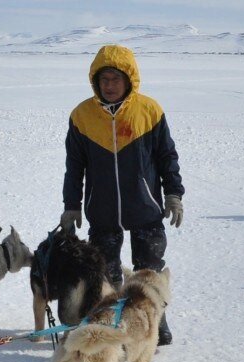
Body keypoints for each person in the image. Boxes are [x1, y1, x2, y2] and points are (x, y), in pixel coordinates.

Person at [60, 44, 184, 345]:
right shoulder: (82, 115)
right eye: (104, 79)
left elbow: (167, 156)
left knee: (148, 272)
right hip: (102, 208)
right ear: (95, 81)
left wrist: (173, 194)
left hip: (144, 206)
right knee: (106, 275)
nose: (110, 85)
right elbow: (74, 166)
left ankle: (156, 322)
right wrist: (71, 206)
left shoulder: (149, 111)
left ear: (129, 79)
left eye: (116, 78)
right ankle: (112, 324)